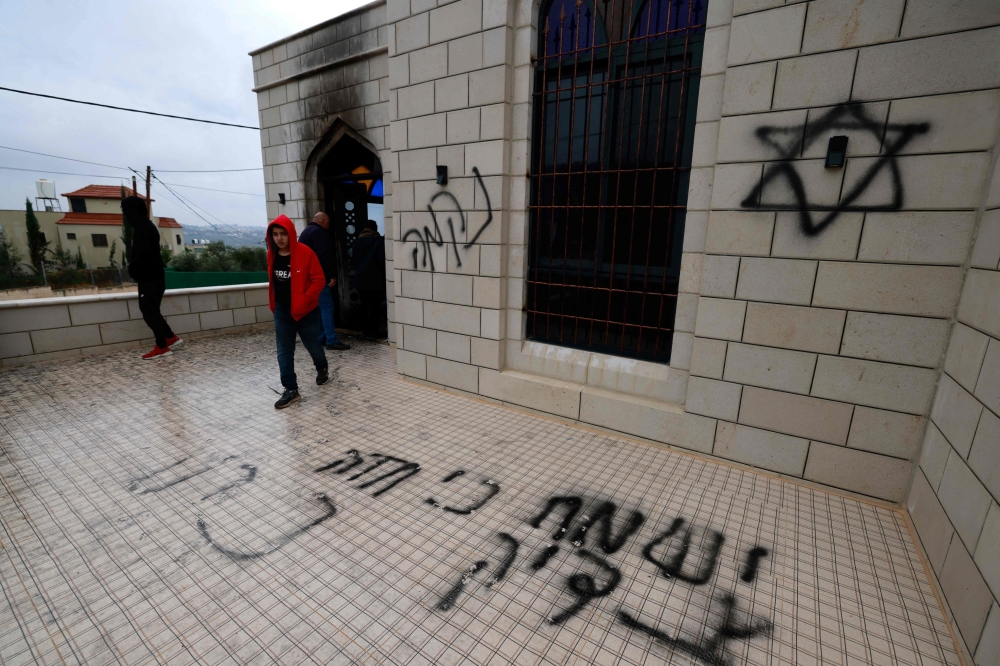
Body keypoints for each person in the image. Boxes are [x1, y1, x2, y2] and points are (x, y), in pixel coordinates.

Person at [266, 214, 330, 409]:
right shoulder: (272, 255)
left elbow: (319, 280)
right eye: (275, 234)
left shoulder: (305, 253)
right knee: (284, 352)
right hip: (282, 312)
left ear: (291, 234)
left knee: (313, 346)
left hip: (306, 312)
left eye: (283, 234)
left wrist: (304, 300)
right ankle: (291, 389)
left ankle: (322, 367)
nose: (279, 238)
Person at [124, 195, 181, 360]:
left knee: (148, 311)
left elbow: (143, 256)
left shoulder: (142, 229)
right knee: (152, 310)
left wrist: (133, 270)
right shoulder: (147, 226)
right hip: (154, 276)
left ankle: (162, 346)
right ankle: (169, 337)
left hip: (149, 277)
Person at [298, 211, 350, 351]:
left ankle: (320, 337)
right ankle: (332, 340)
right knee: (327, 308)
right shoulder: (319, 233)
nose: (328, 225)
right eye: (327, 222)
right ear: (323, 221)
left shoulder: (306, 232)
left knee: (318, 308)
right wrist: (331, 275)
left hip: (307, 278)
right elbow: (324, 257)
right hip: (318, 278)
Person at [352, 219, 387, 338]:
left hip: (360, 281)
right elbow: (381, 260)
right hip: (375, 280)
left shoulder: (357, 242)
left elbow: (353, 260)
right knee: (374, 307)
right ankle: (374, 332)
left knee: (364, 306)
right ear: (375, 228)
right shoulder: (378, 241)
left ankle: (365, 331)